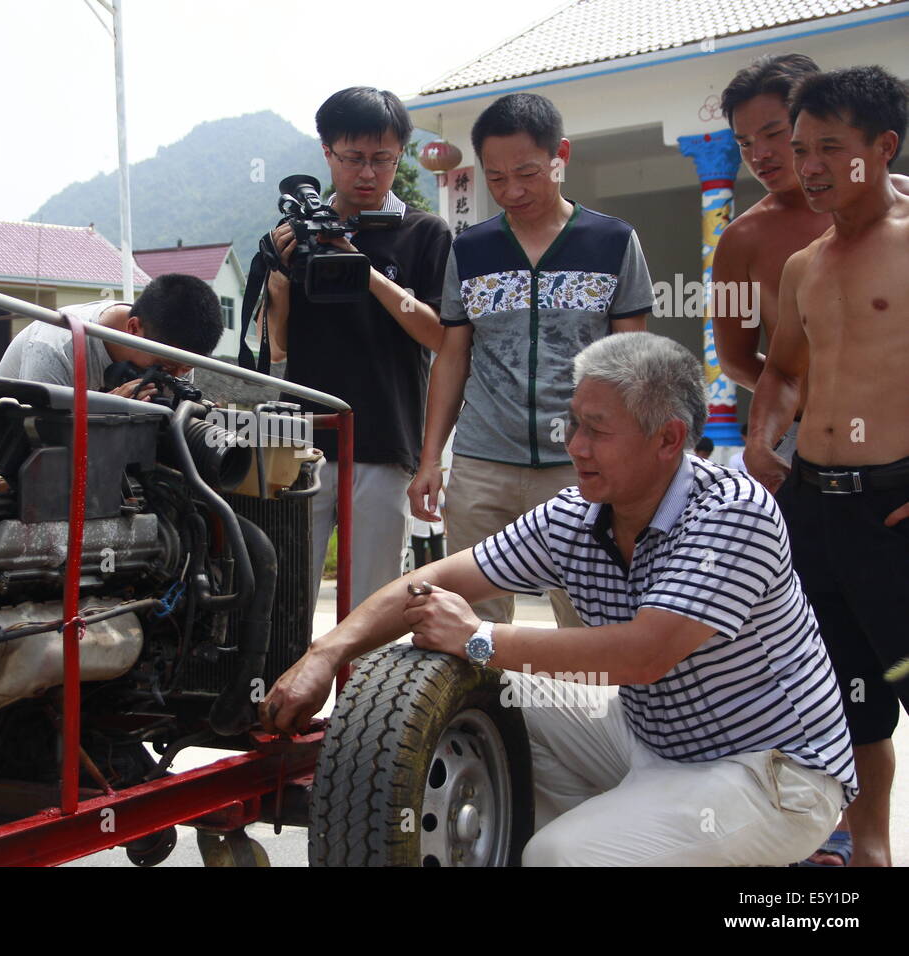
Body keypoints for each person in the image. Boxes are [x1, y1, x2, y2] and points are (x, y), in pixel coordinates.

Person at [265, 332, 854, 866]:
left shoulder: (732, 513)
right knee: (490, 691)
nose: (574, 446)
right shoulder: (578, 514)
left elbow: (646, 654)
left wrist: (480, 636)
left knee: (562, 856)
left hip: (769, 772)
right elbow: (435, 581)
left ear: (669, 439)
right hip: (650, 738)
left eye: (597, 430)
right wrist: (326, 654)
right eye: (572, 424)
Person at [745, 66, 909, 868]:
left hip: (895, 512)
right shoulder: (803, 266)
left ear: (883, 147)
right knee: (850, 702)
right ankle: (868, 853)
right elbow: (779, 372)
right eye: (800, 148)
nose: (808, 166)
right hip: (816, 511)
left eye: (829, 149)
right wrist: (760, 438)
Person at [408, 93, 651, 629]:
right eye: (496, 178)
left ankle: (588, 717)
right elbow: (452, 357)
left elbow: (635, 364)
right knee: (472, 621)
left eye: (527, 173)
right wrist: (431, 460)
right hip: (482, 463)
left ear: (560, 155)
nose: (512, 191)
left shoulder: (612, 242)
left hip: (580, 466)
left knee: (591, 618)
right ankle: (489, 715)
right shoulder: (470, 250)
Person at [261, 87, 452, 610]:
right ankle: (283, 691)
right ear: (327, 153)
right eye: (353, 158)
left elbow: (439, 334)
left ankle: (365, 695)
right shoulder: (294, 235)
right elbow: (273, 353)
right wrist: (278, 291)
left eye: (382, 159)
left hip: (385, 439)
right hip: (301, 442)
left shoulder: (424, 233)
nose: (367, 173)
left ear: (399, 157)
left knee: (373, 603)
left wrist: (358, 264)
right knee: (289, 597)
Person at [713, 54, 909, 466]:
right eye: (744, 143)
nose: (760, 154)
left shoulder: (900, 202)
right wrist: (811, 404)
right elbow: (733, 359)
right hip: (800, 436)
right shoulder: (738, 240)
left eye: (773, 134)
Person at [0, 273, 223, 399]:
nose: (174, 377)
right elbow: (40, 445)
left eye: (186, 369)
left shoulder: (177, 360)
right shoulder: (55, 348)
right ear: (133, 329)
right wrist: (107, 415)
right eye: (166, 366)